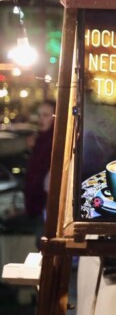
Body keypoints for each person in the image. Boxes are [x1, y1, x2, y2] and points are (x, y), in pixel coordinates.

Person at [24, 99, 55, 244]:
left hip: (48, 202)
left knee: (44, 241)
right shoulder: (39, 139)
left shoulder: (54, 141)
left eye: (46, 115)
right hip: (40, 201)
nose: (41, 119)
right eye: (39, 115)